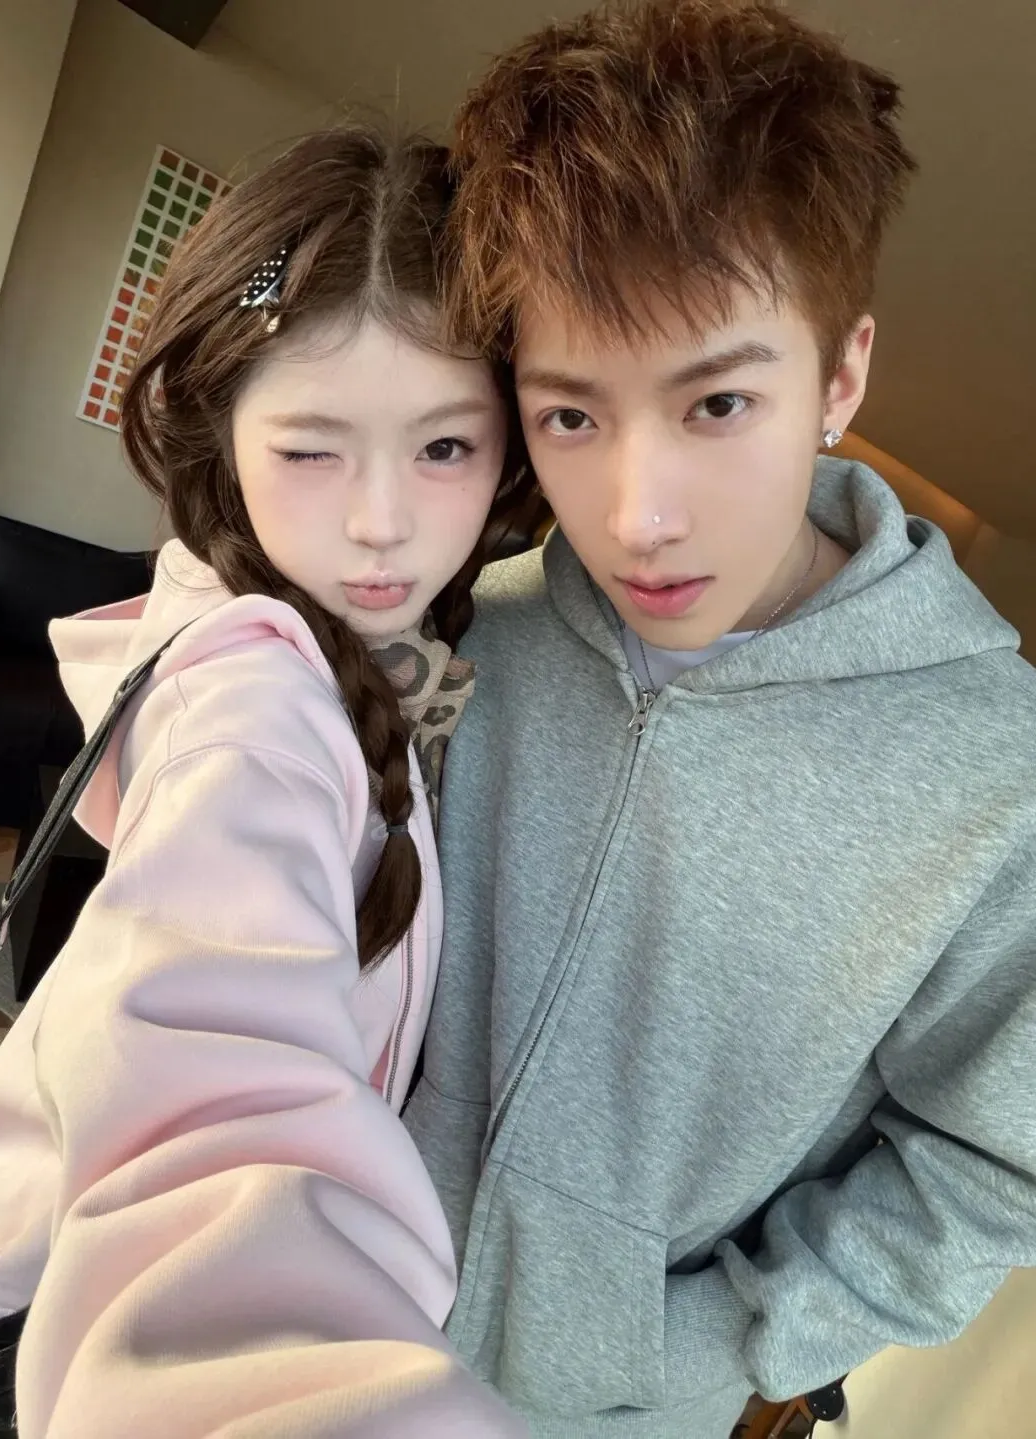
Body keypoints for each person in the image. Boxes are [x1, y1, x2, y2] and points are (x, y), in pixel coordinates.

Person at [402, 3, 1036, 1436]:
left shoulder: (996, 772)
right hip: (322, 1337)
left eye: (719, 403)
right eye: (572, 417)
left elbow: (998, 1159)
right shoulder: (473, 630)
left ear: (841, 378)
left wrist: (729, 1343)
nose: (639, 516)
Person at [0, 129, 533, 1438]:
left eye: (445, 447)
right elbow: (211, 1094)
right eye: (312, 448)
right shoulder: (259, 708)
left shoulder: (330, 642)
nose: (381, 520)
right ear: (220, 426)